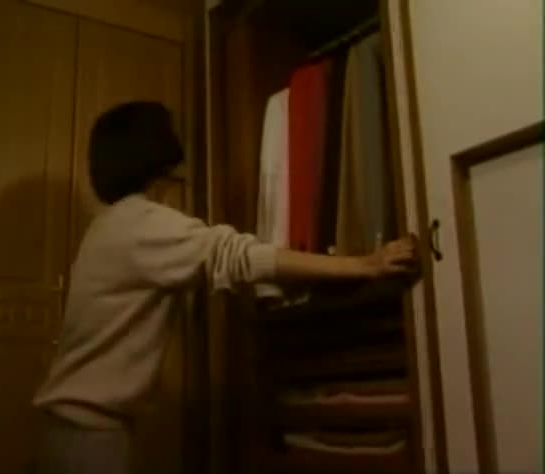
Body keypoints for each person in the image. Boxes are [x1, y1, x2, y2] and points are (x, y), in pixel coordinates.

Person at [33, 102, 420, 473]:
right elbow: (236, 256)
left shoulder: (105, 226)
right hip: (89, 435)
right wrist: (364, 264)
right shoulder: (140, 222)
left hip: (66, 429)